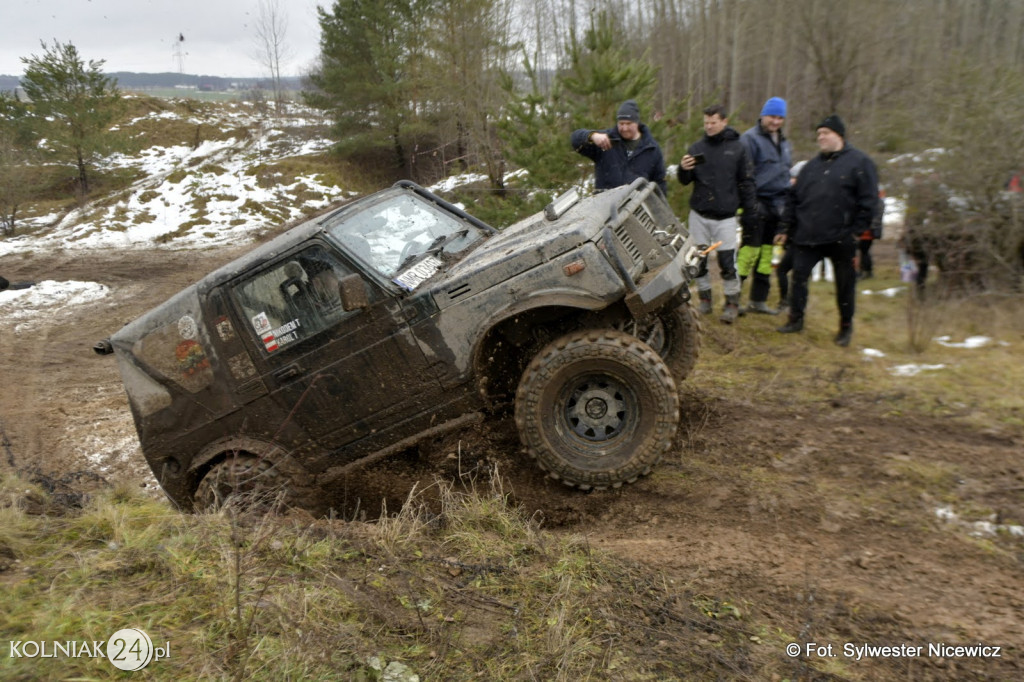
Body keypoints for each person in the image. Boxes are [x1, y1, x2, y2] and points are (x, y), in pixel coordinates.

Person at [776, 115, 879, 347]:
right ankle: (796, 319)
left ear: (839, 135)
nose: (820, 138)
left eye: (825, 133)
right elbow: (793, 199)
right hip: (807, 235)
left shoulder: (860, 163)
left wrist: (855, 231)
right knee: (799, 277)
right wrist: (786, 227)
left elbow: (870, 201)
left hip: (841, 237)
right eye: (818, 134)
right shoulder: (811, 167)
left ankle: (845, 327)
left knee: (844, 285)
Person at [676, 104, 758, 323]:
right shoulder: (696, 147)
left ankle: (732, 302)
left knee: (727, 262)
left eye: (713, 122)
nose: (709, 126)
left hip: (726, 216)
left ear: (724, 121)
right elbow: (684, 181)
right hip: (700, 214)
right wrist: (683, 169)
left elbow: (746, 182)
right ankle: (705, 300)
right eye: (706, 123)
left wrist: (751, 211)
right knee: (698, 259)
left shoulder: (738, 148)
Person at [739, 96, 793, 314]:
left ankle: (758, 300)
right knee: (747, 253)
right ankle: (733, 298)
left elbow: (786, 171)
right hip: (756, 202)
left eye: (780, 117)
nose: (776, 121)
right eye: (772, 116)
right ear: (763, 115)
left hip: (778, 204)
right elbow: (744, 174)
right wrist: (749, 205)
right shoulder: (749, 139)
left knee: (767, 254)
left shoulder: (784, 142)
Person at [571, 99, 667, 194]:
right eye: (621, 124)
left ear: (637, 123)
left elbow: (660, 186)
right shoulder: (605, 140)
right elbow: (575, 140)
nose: (624, 128)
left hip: (636, 206)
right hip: (604, 204)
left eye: (629, 124)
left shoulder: (652, 149)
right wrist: (591, 136)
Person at [857, 189, 885, 279]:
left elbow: (875, 217)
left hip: (868, 231)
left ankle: (865, 271)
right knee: (865, 251)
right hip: (869, 230)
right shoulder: (878, 202)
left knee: (864, 251)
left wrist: (869, 226)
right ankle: (867, 271)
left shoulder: (876, 202)